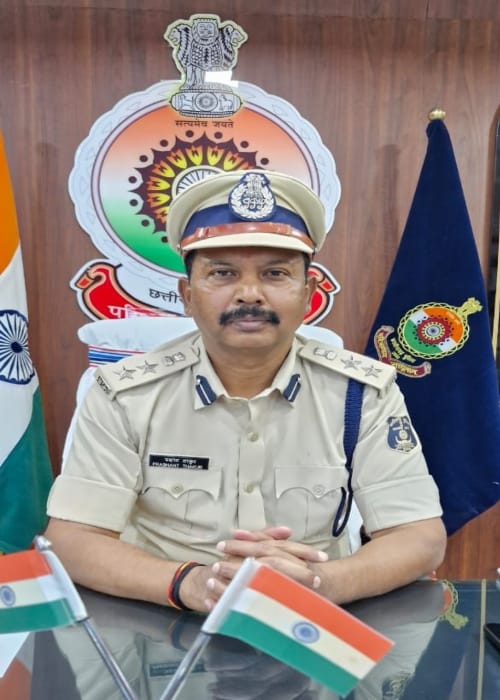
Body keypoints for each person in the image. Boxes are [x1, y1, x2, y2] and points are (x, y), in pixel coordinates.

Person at [45, 169, 446, 614]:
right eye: (223, 273)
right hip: (163, 620)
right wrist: (190, 583)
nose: (250, 294)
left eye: (275, 273)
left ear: (309, 293)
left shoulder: (362, 393)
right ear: (187, 295)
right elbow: (72, 538)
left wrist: (323, 583)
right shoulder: (124, 395)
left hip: (310, 622)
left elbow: (419, 537)